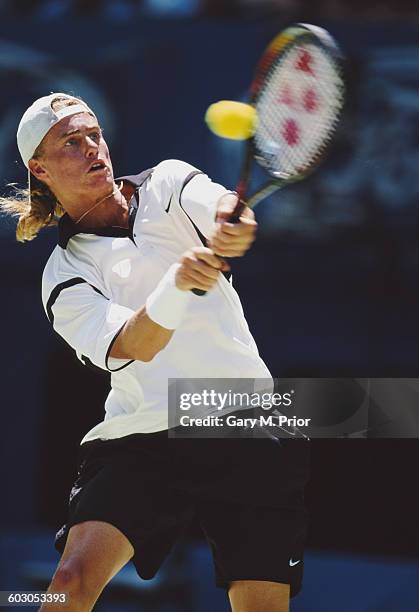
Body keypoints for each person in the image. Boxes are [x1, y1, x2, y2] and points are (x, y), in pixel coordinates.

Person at [3, 92, 310, 611]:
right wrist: (177, 284)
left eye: (93, 134)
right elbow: (135, 344)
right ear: (40, 168)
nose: (92, 148)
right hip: (142, 435)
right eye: (70, 143)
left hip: (244, 420)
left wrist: (231, 224)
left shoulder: (167, 181)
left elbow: (221, 209)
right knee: (69, 587)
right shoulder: (62, 276)